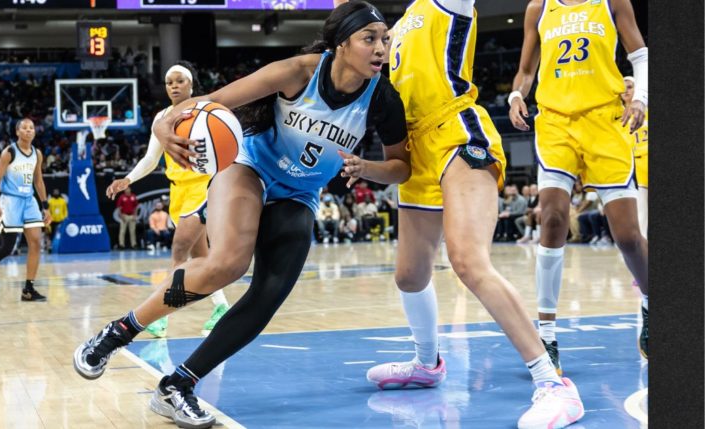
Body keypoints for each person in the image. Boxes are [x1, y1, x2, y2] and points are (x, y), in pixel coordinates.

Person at [74, 4, 410, 428]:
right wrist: (163, 129)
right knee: (228, 265)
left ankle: (177, 385)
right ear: (342, 44)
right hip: (250, 167)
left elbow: (401, 166)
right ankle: (119, 332)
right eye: (370, 39)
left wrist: (369, 169)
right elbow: (208, 102)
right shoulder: (297, 72)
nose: (381, 48)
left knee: (268, 296)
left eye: (385, 39)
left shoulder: (382, 97)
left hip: (301, 192)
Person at [362, 1, 584, 428]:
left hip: (456, 132)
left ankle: (554, 386)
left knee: (468, 260)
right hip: (415, 148)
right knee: (409, 275)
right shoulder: (398, 24)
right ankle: (427, 364)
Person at [509, 0, 649, 368]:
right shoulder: (538, 8)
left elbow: (640, 55)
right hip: (555, 123)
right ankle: (547, 336)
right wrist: (515, 95)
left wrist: (642, 100)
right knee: (553, 219)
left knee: (629, 236)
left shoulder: (611, 2)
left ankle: (651, 304)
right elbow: (526, 70)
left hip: (605, 122)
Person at [105, 61, 232, 338]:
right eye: (169, 82)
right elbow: (151, 159)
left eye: (179, 81)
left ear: (190, 84)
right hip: (178, 191)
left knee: (179, 251)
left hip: (204, 188)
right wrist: (127, 179)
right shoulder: (161, 117)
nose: (173, 86)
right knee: (202, 258)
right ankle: (222, 307)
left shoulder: (206, 112)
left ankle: (159, 317)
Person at [0, 118, 51, 301]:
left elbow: (38, 180)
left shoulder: (37, 154)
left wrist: (45, 206)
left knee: (36, 242)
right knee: (7, 247)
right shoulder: (9, 152)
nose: (29, 130)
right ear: (17, 132)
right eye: (25, 127)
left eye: (32, 127)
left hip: (29, 200)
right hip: (11, 200)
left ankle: (28, 290)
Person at [622, 76, 648, 239]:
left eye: (630, 87)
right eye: (623, 87)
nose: (625, 90)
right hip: (636, 167)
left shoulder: (646, 110)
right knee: (641, 214)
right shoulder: (617, 116)